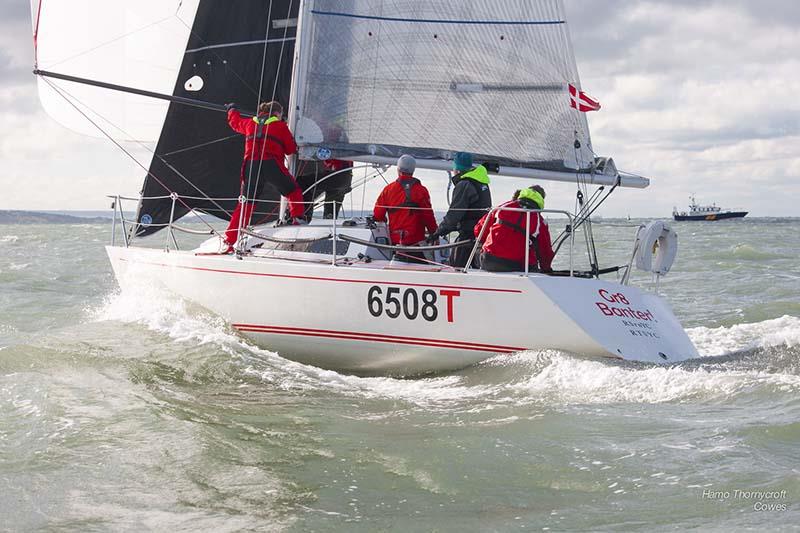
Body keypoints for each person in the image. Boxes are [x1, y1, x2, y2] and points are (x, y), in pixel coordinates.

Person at [222, 100, 305, 251]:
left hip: (251, 166)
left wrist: (231, 110)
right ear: (278, 113)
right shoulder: (280, 126)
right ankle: (297, 219)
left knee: (246, 205)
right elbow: (290, 149)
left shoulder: (249, 123)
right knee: (293, 191)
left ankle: (228, 241)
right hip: (271, 164)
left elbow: (235, 122)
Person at [426, 152, 491, 268]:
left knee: (456, 269)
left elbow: (453, 216)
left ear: (457, 169)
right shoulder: (481, 181)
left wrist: (436, 234)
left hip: (467, 237)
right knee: (475, 270)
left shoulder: (464, 185)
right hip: (480, 236)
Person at [474, 185, 554, 273]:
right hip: (519, 265)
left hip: (490, 260)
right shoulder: (540, 221)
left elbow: (478, 230)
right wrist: (546, 269)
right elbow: (545, 252)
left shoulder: (503, 207)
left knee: (477, 246)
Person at [373, 155, 438, 263]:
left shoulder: (388, 190)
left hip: (395, 245)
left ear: (398, 169)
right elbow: (428, 217)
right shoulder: (421, 190)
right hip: (416, 244)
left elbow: (378, 215)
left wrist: (385, 221)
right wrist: (435, 233)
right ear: (413, 170)